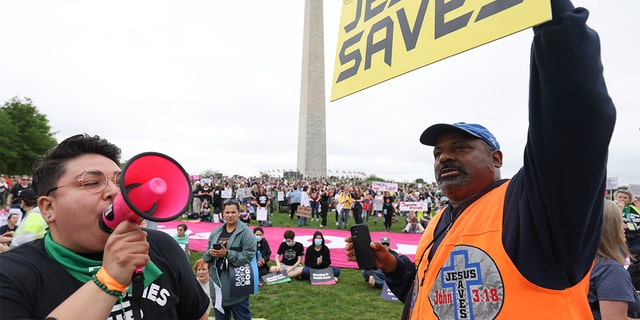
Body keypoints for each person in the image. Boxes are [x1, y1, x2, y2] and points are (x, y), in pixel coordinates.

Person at [345, 0, 616, 317]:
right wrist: (393, 266)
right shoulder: (438, 223)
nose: (444, 156)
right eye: (437, 153)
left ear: (497, 157)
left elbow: (574, 119)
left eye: (459, 147)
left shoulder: (532, 209)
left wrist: (555, 21)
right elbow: (436, 301)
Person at [0, 134, 209, 319]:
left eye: (120, 182)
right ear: (48, 208)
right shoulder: (11, 275)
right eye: (91, 182)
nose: (116, 192)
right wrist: (109, 280)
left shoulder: (162, 247)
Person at [204, 199, 257, 320]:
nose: (230, 215)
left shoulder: (246, 232)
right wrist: (211, 253)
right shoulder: (216, 231)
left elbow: (248, 256)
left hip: (238, 289)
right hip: (217, 288)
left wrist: (227, 253)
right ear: (223, 213)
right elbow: (205, 255)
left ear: (239, 213)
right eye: (227, 212)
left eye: (233, 212)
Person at [588, 200, 640, 319]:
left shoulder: (588, 262)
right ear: (611, 228)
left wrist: (629, 294)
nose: (625, 226)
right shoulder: (610, 270)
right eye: (621, 221)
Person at [616, 189, 640, 290]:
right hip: (621, 238)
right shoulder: (613, 208)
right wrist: (620, 208)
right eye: (620, 197)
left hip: (636, 238)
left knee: (635, 261)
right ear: (616, 197)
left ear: (629, 199)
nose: (622, 199)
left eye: (625, 197)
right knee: (620, 260)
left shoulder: (635, 208)